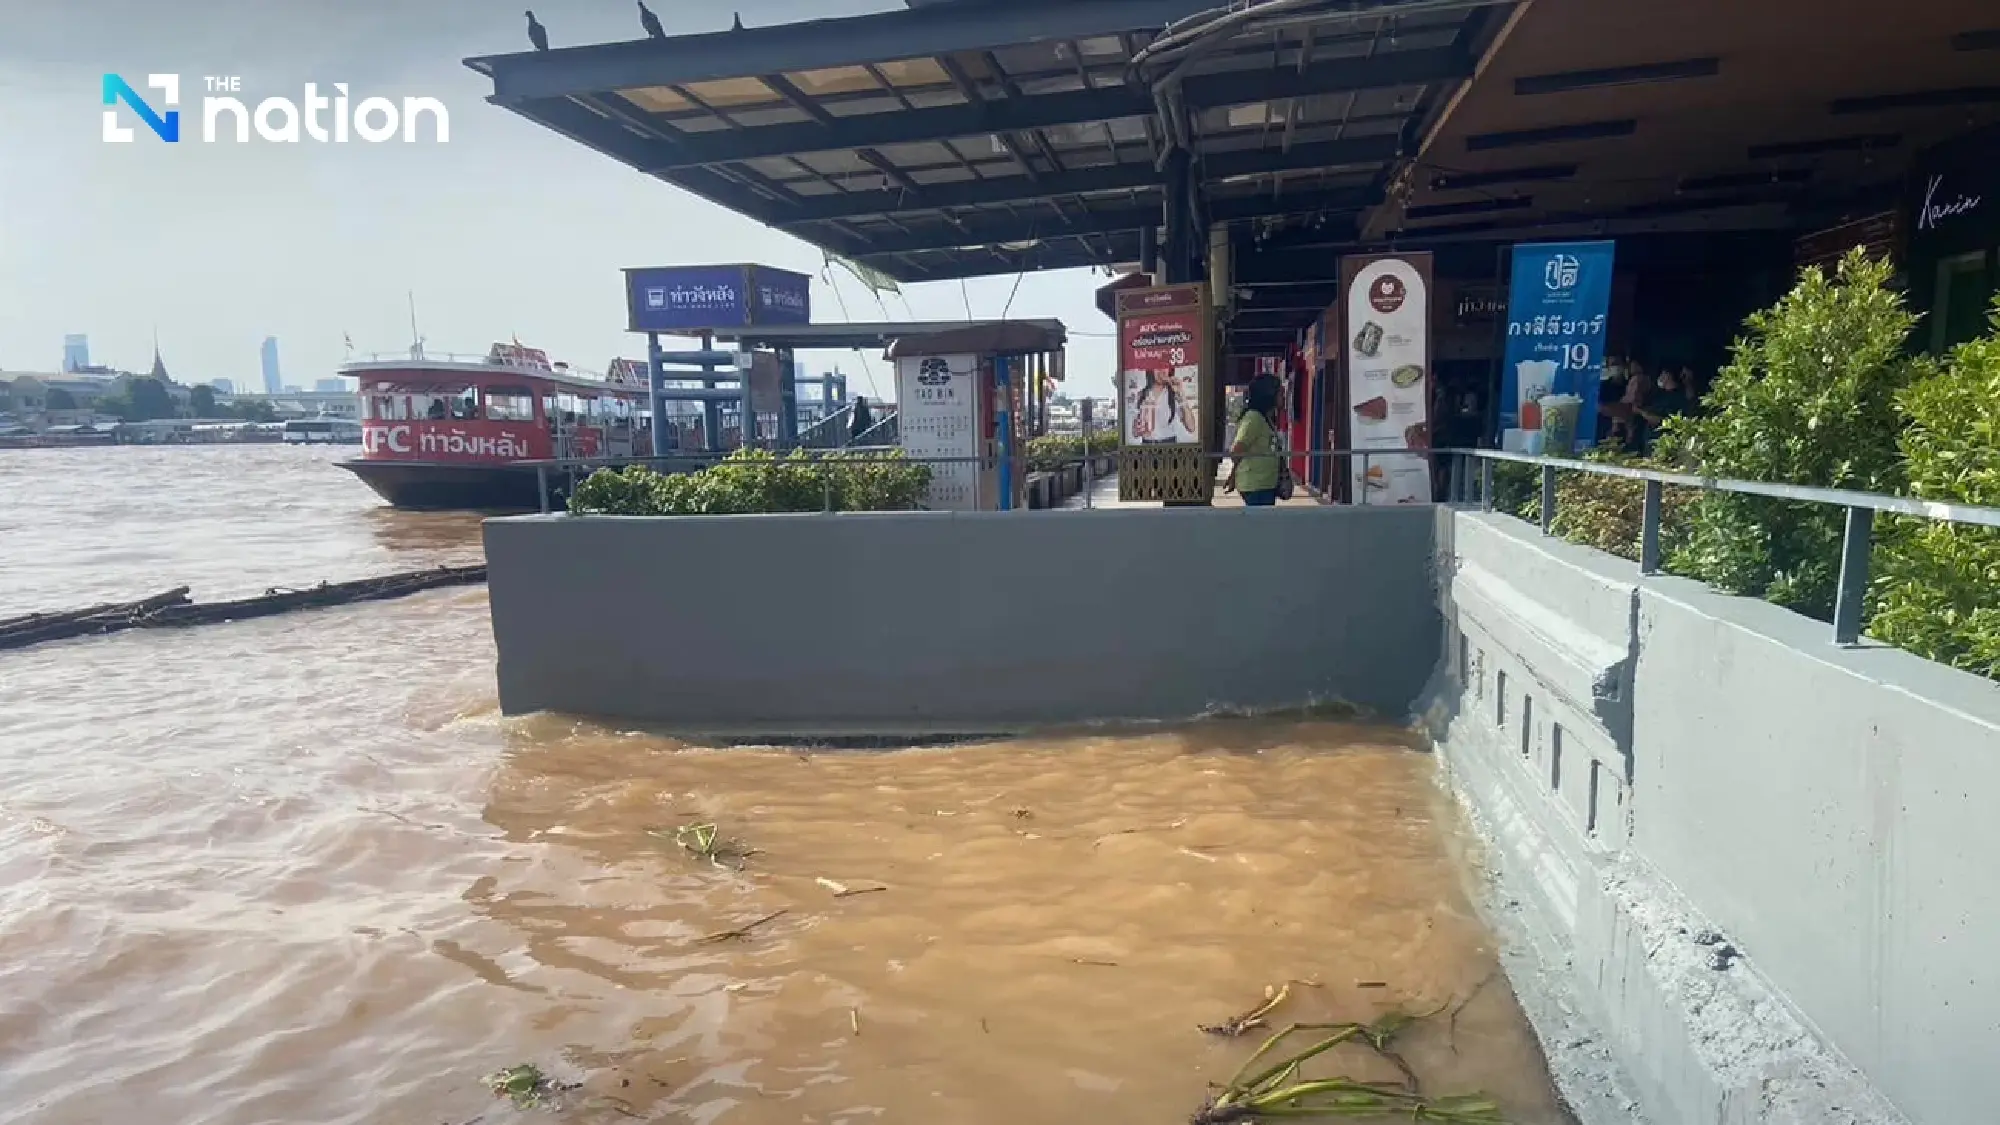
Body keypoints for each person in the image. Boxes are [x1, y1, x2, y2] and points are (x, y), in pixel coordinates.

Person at [1225, 374, 1283, 507]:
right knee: (1261, 526)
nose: (1283, 397)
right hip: (1256, 486)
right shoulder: (1254, 418)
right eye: (1280, 392)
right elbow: (1237, 450)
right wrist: (1234, 474)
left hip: (1264, 484)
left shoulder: (1265, 418)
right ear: (1268, 394)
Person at [1130, 368, 1196, 444]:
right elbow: (1134, 433)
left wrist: (1181, 394)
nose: (1162, 371)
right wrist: (1138, 429)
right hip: (1147, 446)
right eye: (1157, 367)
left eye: (1165, 367)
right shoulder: (1141, 395)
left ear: (1170, 371)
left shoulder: (1174, 394)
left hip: (1168, 447)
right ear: (1151, 370)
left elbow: (1191, 427)